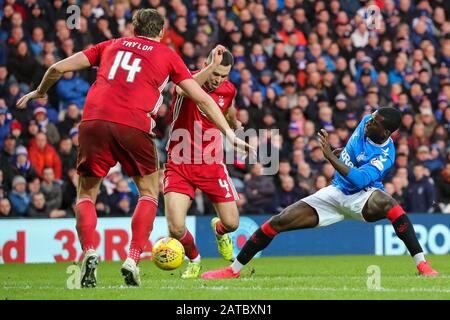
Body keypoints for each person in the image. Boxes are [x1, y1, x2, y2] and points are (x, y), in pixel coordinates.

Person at [16, 9, 252, 288]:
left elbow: (57, 68)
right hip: (135, 126)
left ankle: (90, 251)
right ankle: (133, 257)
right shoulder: (167, 55)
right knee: (149, 192)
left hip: (94, 121)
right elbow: (200, 97)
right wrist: (230, 135)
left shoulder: (110, 45)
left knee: (87, 193)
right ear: (162, 32)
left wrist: (40, 92)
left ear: (132, 27)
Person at [202, 107, 439, 279]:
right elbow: (354, 149)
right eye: (371, 117)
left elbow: (359, 179)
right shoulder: (367, 120)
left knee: (389, 204)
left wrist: (330, 157)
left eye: (375, 122)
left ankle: (422, 265)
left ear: (386, 132)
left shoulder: (386, 155)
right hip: (334, 193)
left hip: (363, 196)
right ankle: (232, 270)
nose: (368, 121)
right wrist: (341, 152)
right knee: (279, 221)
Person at [164, 47, 241, 279]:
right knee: (176, 227)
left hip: (211, 163)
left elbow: (227, 110)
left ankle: (219, 231)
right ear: (206, 64)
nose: (218, 80)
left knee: (232, 224)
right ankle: (194, 259)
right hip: (179, 163)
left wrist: (235, 125)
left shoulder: (228, 90)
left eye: (223, 76)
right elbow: (181, 88)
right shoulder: (188, 79)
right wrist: (209, 69)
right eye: (215, 73)